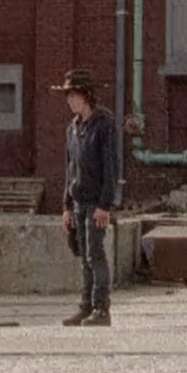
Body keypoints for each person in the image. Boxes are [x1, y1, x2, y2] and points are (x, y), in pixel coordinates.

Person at [56, 68, 117, 327]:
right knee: (84, 255)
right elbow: (70, 167)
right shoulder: (73, 128)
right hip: (79, 201)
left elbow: (110, 166)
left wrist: (105, 204)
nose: (69, 101)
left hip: (95, 202)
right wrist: (67, 205)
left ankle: (102, 309)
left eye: (73, 95)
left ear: (86, 96)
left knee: (95, 254)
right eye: (68, 96)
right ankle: (86, 306)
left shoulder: (104, 123)